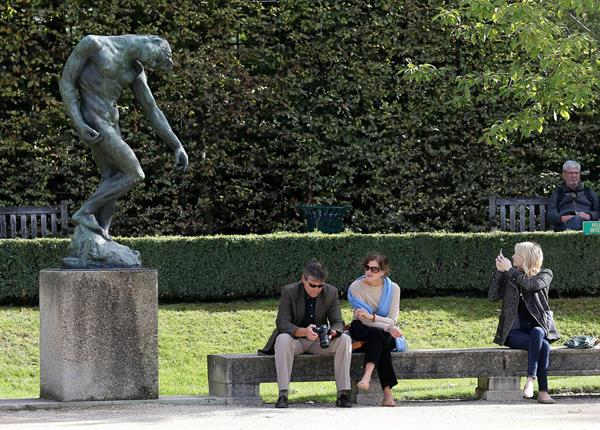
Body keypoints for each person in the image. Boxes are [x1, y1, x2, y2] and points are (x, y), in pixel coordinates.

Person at [59, 34, 189, 241]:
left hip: (112, 124)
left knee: (111, 177)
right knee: (134, 173)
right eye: (157, 58)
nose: (153, 64)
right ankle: (84, 212)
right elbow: (66, 82)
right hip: (94, 121)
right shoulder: (94, 44)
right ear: (152, 41)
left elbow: (152, 109)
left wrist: (176, 145)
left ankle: (101, 235)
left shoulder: (135, 70)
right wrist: (78, 123)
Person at [258, 260, 353, 408]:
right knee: (282, 339)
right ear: (303, 279)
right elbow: (282, 323)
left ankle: (343, 394)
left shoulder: (331, 292)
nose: (316, 289)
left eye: (320, 286)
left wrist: (332, 333)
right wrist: (304, 332)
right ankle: (283, 394)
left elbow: (337, 322)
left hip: (319, 342)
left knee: (345, 340)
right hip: (295, 341)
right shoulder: (289, 291)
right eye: (312, 285)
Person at [489, 242, 560, 404]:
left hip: (539, 329)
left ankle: (530, 380)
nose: (512, 256)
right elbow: (492, 296)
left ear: (525, 258)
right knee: (544, 345)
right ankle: (542, 391)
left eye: (516, 254)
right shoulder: (510, 275)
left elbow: (531, 285)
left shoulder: (545, 274)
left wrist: (510, 271)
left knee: (537, 333)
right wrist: (500, 273)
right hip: (514, 332)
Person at [347, 251, 402, 407]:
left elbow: (393, 319)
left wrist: (376, 319)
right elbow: (364, 319)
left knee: (380, 339)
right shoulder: (355, 287)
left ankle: (367, 376)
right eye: (367, 267)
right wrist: (389, 328)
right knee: (379, 336)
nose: (369, 272)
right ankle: (387, 394)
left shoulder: (394, 289)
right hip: (361, 327)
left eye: (374, 269)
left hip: (382, 330)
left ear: (383, 272)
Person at [547, 160, 600, 231]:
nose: (574, 175)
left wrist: (589, 215)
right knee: (575, 220)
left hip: (588, 226)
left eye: (576, 173)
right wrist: (562, 218)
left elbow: (598, 212)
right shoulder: (558, 193)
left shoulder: (589, 192)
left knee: (588, 225)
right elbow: (551, 215)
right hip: (565, 226)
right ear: (564, 174)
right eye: (571, 173)